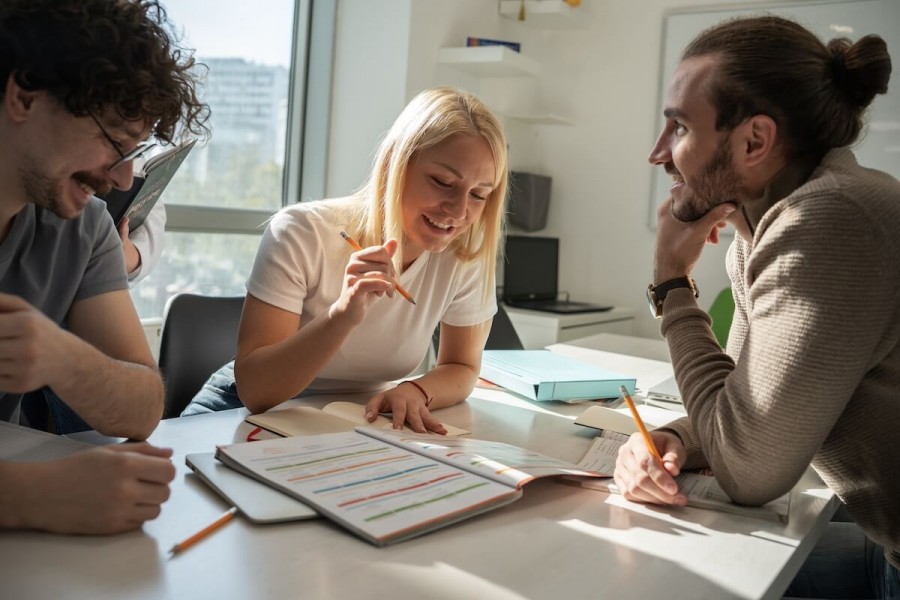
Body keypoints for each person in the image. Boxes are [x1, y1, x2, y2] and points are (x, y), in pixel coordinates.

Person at [612, 15, 899, 599]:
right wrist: (675, 438)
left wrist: (671, 283)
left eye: (679, 128)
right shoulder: (771, 230)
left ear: (754, 141)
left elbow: (748, 470)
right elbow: (742, 407)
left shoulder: (829, 219)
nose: (658, 153)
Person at [183, 86, 508, 434]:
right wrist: (341, 315)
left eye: (478, 194)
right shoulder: (302, 231)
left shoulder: (463, 256)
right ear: (395, 165)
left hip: (351, 419)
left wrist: (417, 390)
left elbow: (462, 367)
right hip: (239, 410)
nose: (459, 211)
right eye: (443, 182)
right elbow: (257, 393)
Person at [0, 0, 208, 533]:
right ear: (24, 96)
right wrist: (29, 497)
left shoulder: (84, 228)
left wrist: (61, 356)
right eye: (114, 143)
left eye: (134, 152)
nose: (121, 180)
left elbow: (143, 407)